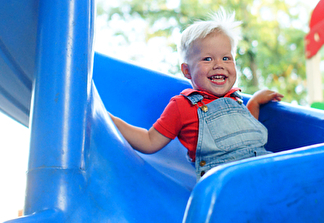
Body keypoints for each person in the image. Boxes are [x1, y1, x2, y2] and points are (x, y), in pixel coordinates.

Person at [110, 10, 283, 179]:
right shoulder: (182, 105)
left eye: (226, 58)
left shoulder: (234, 98)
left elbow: (245, 134)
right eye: (207, 59)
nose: (219, 65)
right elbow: (149, 141)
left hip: (263, 170)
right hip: (225, 183)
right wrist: (111, 120)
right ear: (187, 71)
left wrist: (254, 103)